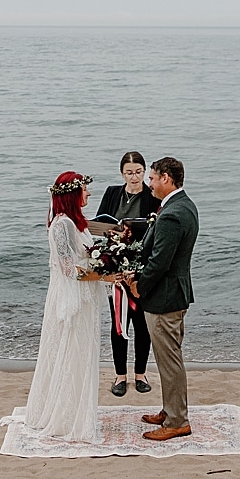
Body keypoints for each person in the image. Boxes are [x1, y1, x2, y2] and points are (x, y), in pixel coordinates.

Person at [23, 171, 110, 442]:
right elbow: (69, 268)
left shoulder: (76, 223)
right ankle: (65, 415)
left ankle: (75, 409)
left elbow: (84, 252)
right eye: (85, 190)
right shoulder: (61, 225)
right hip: (72, 296)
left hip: (85, 295)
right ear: (73, 194)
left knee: (81, 350)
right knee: (70, 349)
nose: (89, 194)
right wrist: (105, 275)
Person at [126, 157, 199, 441]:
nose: (149, 183)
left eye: (153, 178)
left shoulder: (172, 214)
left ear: (166, 178)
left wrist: (139, 286)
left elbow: (160, 262)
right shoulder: (184, 205)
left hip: (165, 297)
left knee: (169, 361)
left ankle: (178, 421)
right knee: (170, 358)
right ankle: (171, 411)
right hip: (174, 294)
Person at [94, 151, 161, 397]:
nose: (134, 177)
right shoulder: (113, 192)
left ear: (145, 172)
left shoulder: (152, 196)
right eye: (129, 173)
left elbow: (156, 231)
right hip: (116, 267)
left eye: (139, 172)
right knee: (119, 323)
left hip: (141, 267)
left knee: (142, 324)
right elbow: (101, 225)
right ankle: (120, 376)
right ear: (122, 174)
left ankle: (140, 374)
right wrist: (113, 235)